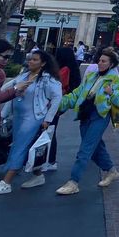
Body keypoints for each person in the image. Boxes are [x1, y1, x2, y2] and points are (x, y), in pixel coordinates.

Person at [54, 48, 119, 196]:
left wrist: (112, 93)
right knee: (96, 147)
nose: (100, 63)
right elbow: (76, 94)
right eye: (99, 61)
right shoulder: (91, 77)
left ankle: (73, 182)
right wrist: (58, 104)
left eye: (104, 61)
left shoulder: (116, 81)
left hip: (100, 116)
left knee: (85, 148)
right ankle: (111, 171)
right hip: (85, 114)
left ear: (111, 64)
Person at [0, 50, 63, 194]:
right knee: (21, 145)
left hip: (33, 118)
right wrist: (3, 113)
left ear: (43, 63)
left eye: (35, 60)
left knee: (20, 146)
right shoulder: (24, 76)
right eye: (30, 59)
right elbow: (8, 89)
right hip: (18, 116)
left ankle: (6, 182)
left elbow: (57, 98)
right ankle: (38, 175)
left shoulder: (48, 80)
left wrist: (48, 119)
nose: (30, 61)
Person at [46, 45, 81, 173]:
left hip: (55, 103)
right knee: (51, 130)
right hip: (62, 103)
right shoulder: (73, 69)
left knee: (49, 130)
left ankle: (49, 160)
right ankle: (49, 160)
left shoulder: (63, 69)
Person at [0, 40, 19, 158]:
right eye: (5, 57)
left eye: (9, 58)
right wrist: (15, 89)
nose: (7, 61)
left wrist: (15, 92)